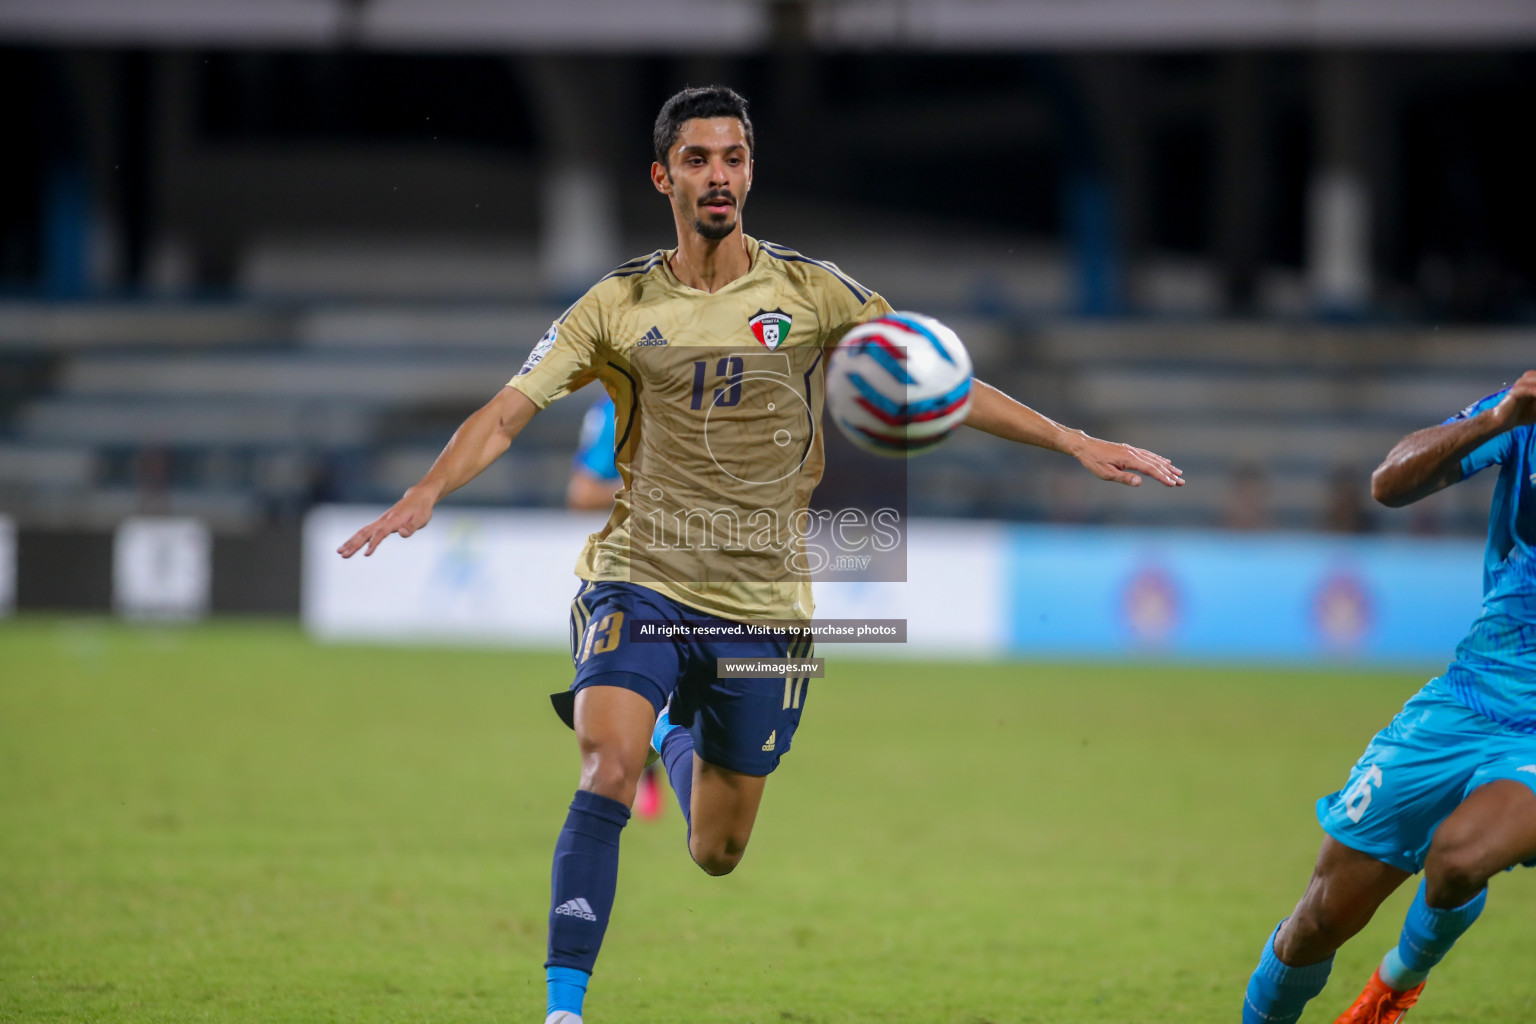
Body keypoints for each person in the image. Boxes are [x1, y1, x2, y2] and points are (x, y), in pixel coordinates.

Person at [338, 85, 1183, 1024]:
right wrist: (425, 490)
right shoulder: (614, 305)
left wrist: (1068, 439)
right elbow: (506, 411)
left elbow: (938, 381)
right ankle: (564, 1007)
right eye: (698, 159)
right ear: (663, 177)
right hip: (641, 574)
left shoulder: (811, 292)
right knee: (604, 765)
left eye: (733, 158)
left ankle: (677, 733)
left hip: (766, 604)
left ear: (750, 172)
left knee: (717, 850)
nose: (719, 176)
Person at [1240, 371, 1536, 1024]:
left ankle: (1394, 987)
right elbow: (1389, 484)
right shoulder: (1524, 416)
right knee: (1318, 920)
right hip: (1464, 700)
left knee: (1459, 858)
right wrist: (1498, 420)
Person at [565, 393, 663, 820]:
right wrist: (651, 487)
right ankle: (646, 771)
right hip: (636, 577)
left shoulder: (730, 392)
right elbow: (582, 493)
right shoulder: (615, 410)